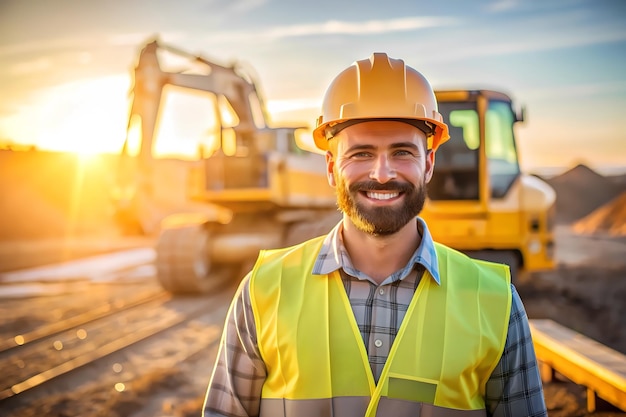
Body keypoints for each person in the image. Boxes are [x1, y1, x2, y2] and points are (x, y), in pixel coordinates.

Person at [203, 53, 548, 417]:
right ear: (332, 168)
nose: (382, 174)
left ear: (428, 164)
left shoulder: (496, 303)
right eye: (361, 153)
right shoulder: (262, 291)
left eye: (402, 152)